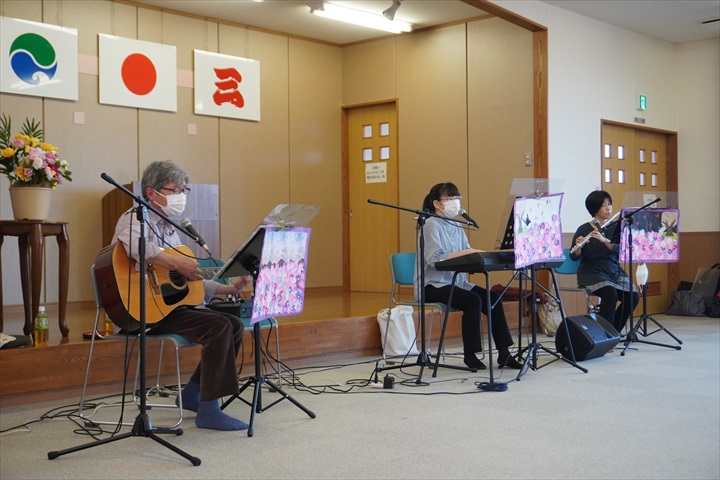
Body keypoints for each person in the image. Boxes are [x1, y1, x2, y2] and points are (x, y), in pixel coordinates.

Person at [112, 160, 250, 431]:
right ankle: (209, 410)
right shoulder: (133, 218)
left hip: (171, 308)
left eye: (184, 190)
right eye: (175, 190)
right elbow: (133, 246)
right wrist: (176, 263)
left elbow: (190, 284)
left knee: (233, 324)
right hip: (143, 310)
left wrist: (229, 289)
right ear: (152, 192)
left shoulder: (169, 228)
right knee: (219, 325)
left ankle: (194, 393)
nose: (181, 197)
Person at [416, 182, 523, 371]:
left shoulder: (457, 224)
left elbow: (465, 251)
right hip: (433, 286)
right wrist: (469, 253)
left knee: (494, 298)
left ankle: (504, 353)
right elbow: (435, 259)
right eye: (450, 199)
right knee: (473, 301)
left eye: (458, 199)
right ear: (437, 204)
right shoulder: (430, 224)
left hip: (457, 283)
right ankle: (470, 354)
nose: (456, 203)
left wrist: (477, 255)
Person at [570, 190, 639, 334]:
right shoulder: (583, 229)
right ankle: (606, 333)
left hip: (613, 270)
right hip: (591, 271)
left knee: (632, 296)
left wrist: (604, 240)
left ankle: (612, 331)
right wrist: (579, 247)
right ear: (595, 209)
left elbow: (621, 249)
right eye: (604, 205)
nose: (608, 208)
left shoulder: (616, 226)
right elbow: (574, 256)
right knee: (610, 292)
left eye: (610, 204)